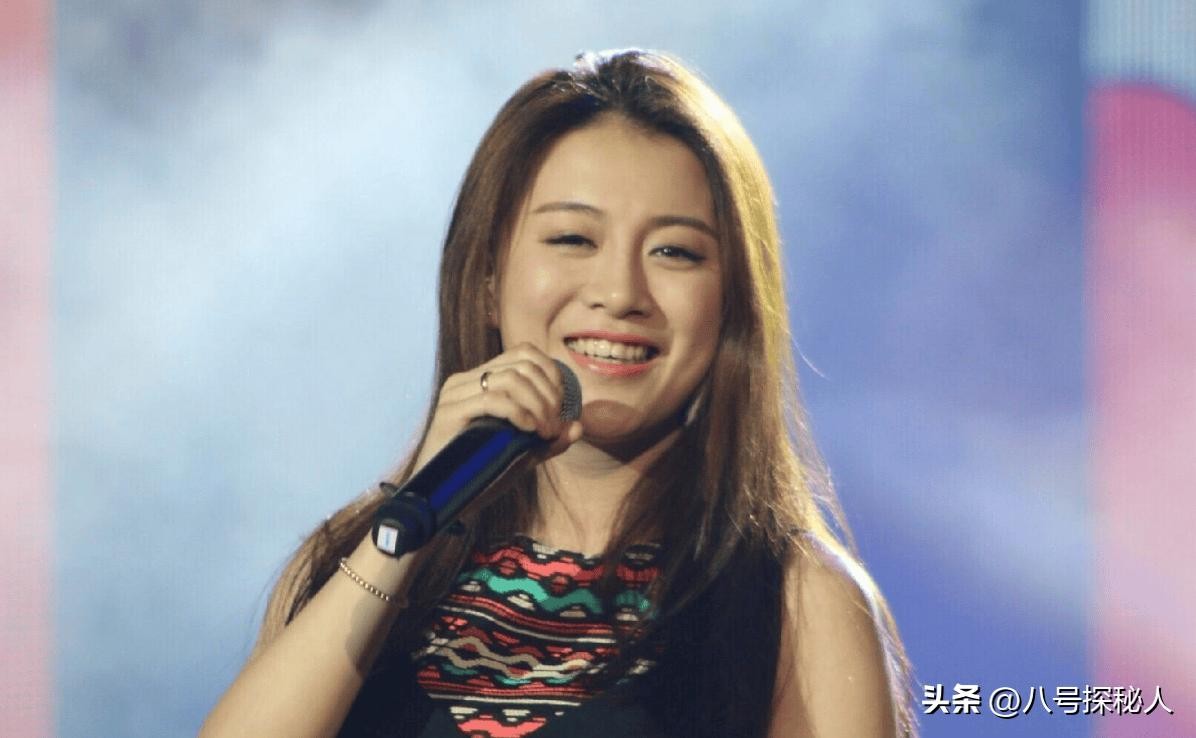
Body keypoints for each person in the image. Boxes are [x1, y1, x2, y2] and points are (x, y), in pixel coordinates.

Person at [200, 48, 917, 738]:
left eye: (674, 251)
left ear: (731, 304)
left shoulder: (795, 602)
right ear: (487, 276)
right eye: (573, 239)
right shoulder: (350, 558)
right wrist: (407, 524)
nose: (620, 293)